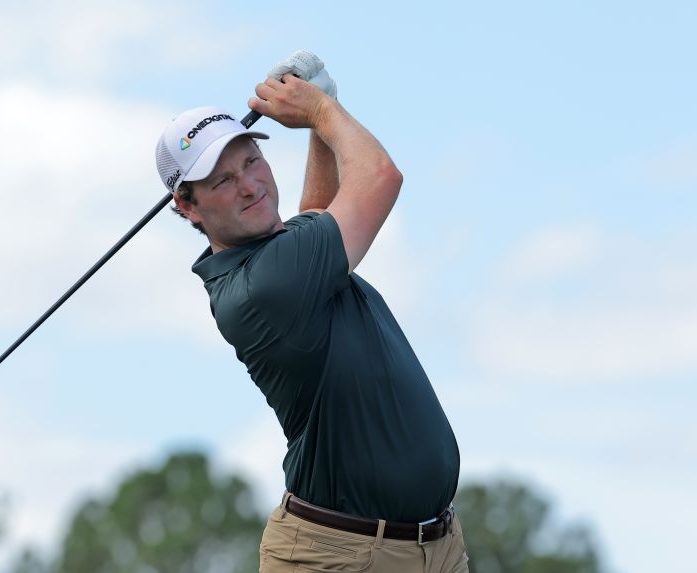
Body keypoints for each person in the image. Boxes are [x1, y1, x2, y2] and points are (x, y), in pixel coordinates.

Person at [155, 51, 468, 573]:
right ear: (187, 206)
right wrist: (321, 112)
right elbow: (380, 177)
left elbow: (317, 216)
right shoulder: (264, 287)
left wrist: (322, 124)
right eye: (222, 181)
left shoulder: (273, 258)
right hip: (341, 557)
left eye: (251, 161)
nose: (251, 185)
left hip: (432, 548)